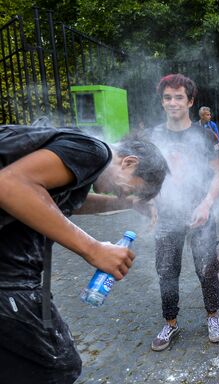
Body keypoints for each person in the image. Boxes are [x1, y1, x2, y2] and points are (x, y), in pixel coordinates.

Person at [0, 121, 169, 384]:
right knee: (57, 368)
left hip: (13, 279)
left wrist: (121, 203)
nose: (125, 192)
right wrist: (93, 249)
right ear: (129, 162)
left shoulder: (83, 155)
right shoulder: (94, 151)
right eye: (133, 189)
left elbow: (57, 200)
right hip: (9, 282)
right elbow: (9, 185)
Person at [147, 74, 219, 351]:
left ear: (190, 101)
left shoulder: (206, 134)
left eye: (179, 97)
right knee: (166, 271)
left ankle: (213, 317)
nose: (173, 102)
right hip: (167, 215)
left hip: (200, 212)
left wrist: (206, 204)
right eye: (168, 97)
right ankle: (170, 323)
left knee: (207, 268)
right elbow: (148, 178)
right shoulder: (154, 136)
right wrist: (151, 204)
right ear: (162, 101)